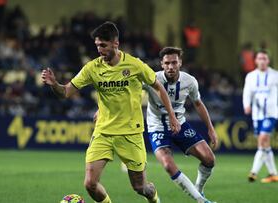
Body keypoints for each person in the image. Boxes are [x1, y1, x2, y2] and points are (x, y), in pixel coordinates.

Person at [41, 22, 181, 203]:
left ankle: (152, 195)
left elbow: (158, 87)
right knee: (90, 183)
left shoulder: (135, 65)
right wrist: (55, 85)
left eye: (103, 45)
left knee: (140, 187)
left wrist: (171, 115)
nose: (99, 49)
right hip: (103, 131)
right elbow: (66, 92)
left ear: (116, 43)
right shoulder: (92, 68)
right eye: (97, 45)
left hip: (130, 133)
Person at [145, 47, 218, 203]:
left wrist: (210, 129)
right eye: (167, 63)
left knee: (209, 159)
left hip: (180, 125)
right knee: (168, 164)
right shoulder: (151, 79)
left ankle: (198, 189)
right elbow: (128, 91)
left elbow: (198, 104)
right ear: (161, 64)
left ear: (180, 63)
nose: (170, 66)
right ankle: (200, 200)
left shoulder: (189, 81)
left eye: (174, 62)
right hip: (157, 126)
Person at [243, 50, 278, 183]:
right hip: (257, 115)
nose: (262, 60)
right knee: (264, 144)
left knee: (263, 138)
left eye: (264, 58)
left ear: (268, 61)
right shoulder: (251, 76)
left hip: (271, 113)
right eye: (260, 58)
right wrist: (247, 105)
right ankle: (273, 174)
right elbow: (247, 92)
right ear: (256, 60)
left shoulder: (275, 75)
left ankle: (253, 172)